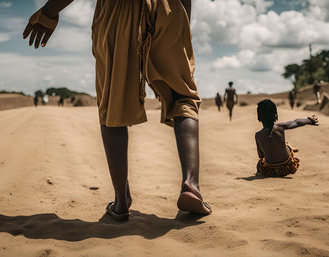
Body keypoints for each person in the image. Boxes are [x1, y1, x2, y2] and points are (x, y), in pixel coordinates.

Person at [23, 0, 211, 221]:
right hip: (169, 7)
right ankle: (191, 184)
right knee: (183, 96)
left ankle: (121, 201)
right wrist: (180, 23)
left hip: (116, 11)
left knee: (112, 104)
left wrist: (49, 12)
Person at [255, 99, 319, 177]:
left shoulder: (258, 135)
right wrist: (309, 120)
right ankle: (289, 147)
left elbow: (261, 155)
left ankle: (287, 146)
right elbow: (296, 122)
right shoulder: (279, 127)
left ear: (259, 116)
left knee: (260, 163)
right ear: (275, 114)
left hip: (270, 170)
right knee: (285, 145)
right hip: (287, 167)